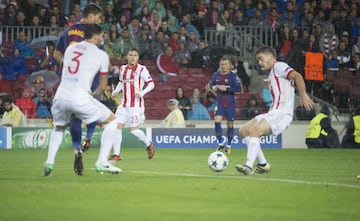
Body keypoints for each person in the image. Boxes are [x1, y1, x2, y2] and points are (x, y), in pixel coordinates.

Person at [42, 24, 121, 176]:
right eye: (101, 37)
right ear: (97, 36)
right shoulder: (101, 55)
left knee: (58, 128)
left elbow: (64, 63)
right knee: (112, 121)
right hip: (80, 97)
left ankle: (49, 162)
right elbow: (103, 85)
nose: (102, 39)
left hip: (60, 96)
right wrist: (93, 95)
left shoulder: (71, 49)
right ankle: (102, 162)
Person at [236, 46, 314, 175]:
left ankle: (248, 166)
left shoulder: (279, 66)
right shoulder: (273, 72)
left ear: (271, 57)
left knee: (254, 131)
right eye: (258, 60)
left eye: (261, 59)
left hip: (282, 114)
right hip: (274, 112)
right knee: (244, 130)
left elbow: (298, 76)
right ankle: (263, 164)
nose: (259, 63)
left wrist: (303, 94)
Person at [54, 3, 103, 176]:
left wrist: (64, 62)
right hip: (88, 79)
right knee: (92, 109)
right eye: (98, 18)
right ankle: (88, 138)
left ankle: (77, 150)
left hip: (71, 80)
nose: (99, 21)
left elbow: (56, 53)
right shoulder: (94, 34)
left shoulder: (68, 31)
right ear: (91, 16)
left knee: (74, 114)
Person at [108, 48, 155, 161]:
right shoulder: (123, 68)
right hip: (123, 104)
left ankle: (148, 144)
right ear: (127, 57)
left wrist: (142, 92)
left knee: (133, 130)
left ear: (138, 58)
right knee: (117, 127)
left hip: (135, 105)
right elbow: (121, 82)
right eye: (130, 55)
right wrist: (116, 91)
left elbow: (151, 84)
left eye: (135, 55)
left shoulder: (142, 69)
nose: (133, 57)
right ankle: (116, 154)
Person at [209, 57, 242, 154]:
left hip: (230, 104)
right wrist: (213, 88)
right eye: (222, 64)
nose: (223, 66)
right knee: (217, 120)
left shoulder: (233, 76)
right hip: (220, 103)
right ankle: (220, 143)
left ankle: (229, 145)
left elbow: (239, 88)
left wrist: (226, 88)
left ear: (230, 66)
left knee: (230, 124)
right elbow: (211, 85)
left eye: (225, 64)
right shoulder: (216, 75)